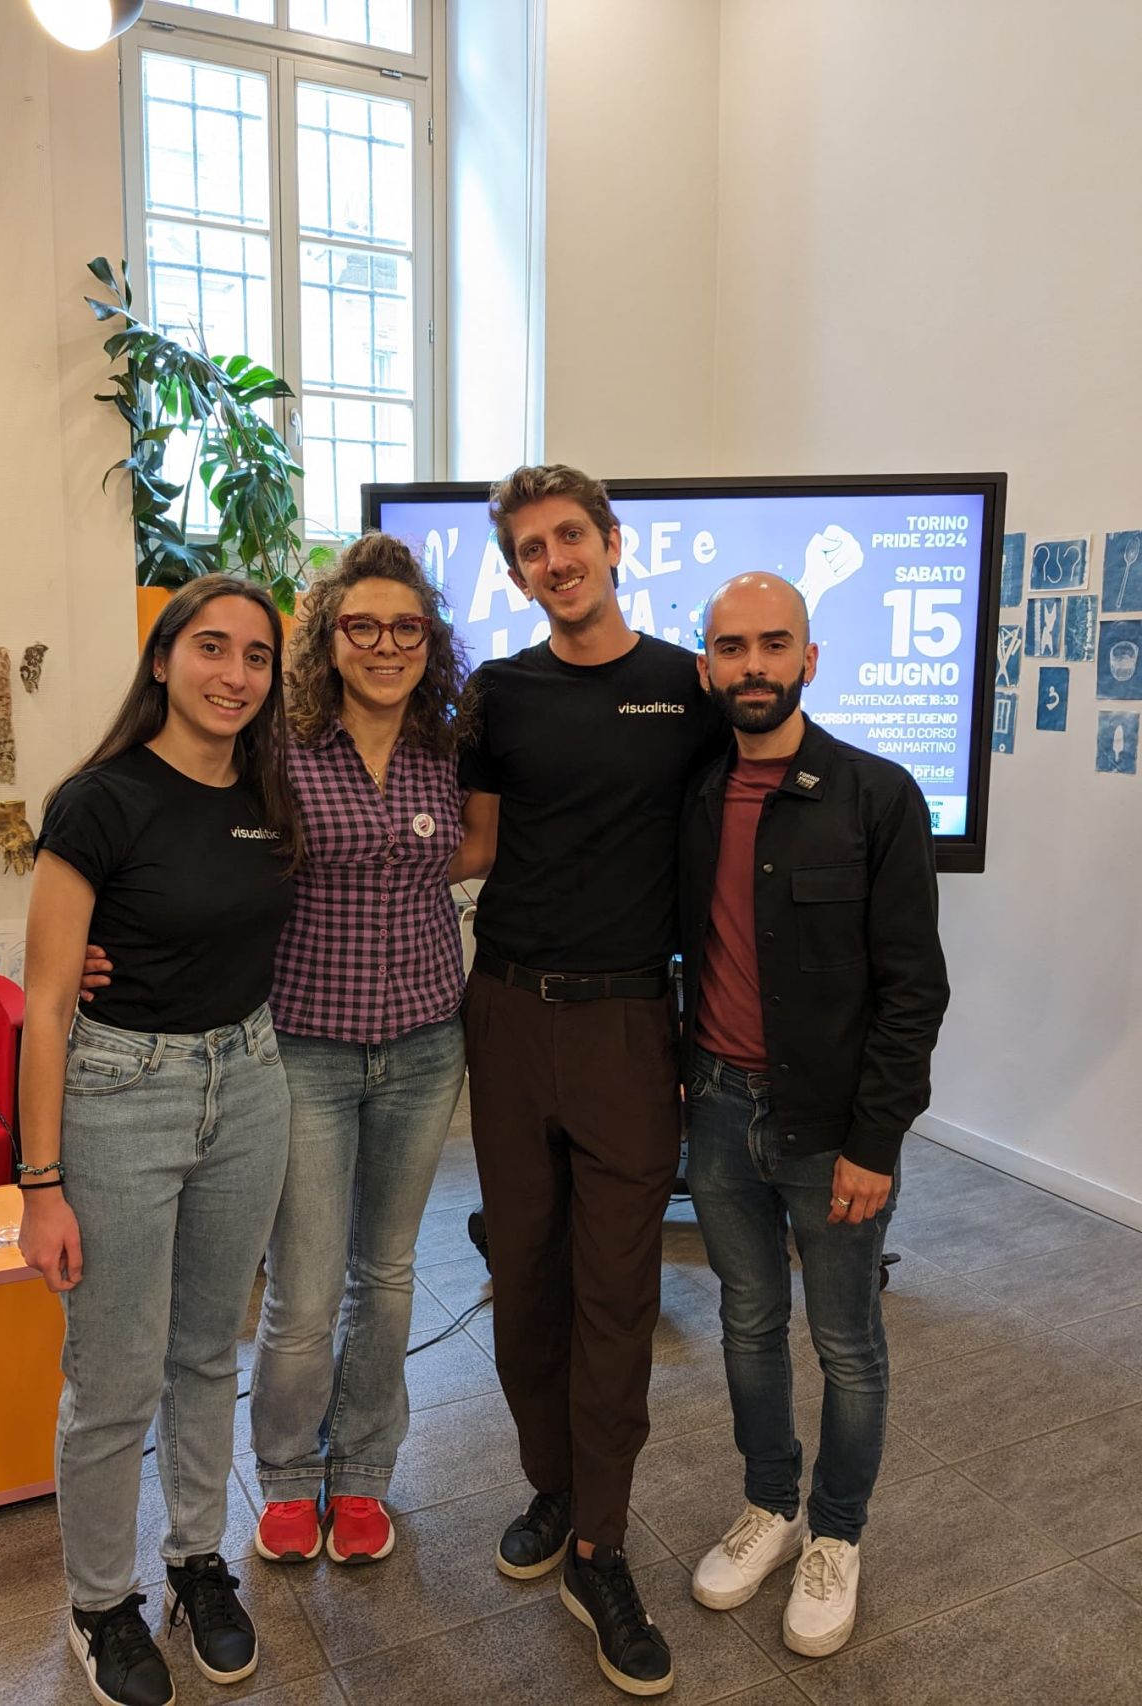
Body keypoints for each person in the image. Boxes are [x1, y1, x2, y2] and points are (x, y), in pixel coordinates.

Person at [458, 464, 723, 1697]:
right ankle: (550, 1487)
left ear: (611, 545)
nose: (555, 560)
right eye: (531, 548)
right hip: (506, 1015)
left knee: (615, 1295)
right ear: (515, 572)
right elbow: (462, 846)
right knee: (524, 1282)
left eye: (571, 537)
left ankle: (599, 1547)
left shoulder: (684, 687)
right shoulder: (495, 694)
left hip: (627, 1023)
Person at [19, 575, 300, 1706]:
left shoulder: (269, 791)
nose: (234, 673)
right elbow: (44, 1001)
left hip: (250, 1079)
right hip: (121, 1090)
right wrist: (41, 1182)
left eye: (257, 657)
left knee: (203, 1352)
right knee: (113, 1376)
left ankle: (196, 1562)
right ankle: (99, 1600)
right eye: (211, 648)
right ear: (163, 657)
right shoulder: (98, 798)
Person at [678, 572, 949, 1657]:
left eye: (770, 643)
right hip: (714, 1108)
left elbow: (911, 989)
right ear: (704, 667)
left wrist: (875, 1140)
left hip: (830, 1124)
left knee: (845, 1343)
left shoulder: (876, 794)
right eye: (729, 647)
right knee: (745, 1325)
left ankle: (836, 1532)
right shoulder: (692, 795)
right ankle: (770, 1505)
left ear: (808, 657)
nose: (751, 664)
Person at [249, 532, 480, 1568]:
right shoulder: (280, 745)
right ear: (327, 638)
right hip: (306, 1045)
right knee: (303, 1284)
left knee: (384, 1274)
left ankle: (363, 1476)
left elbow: (475, 848)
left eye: (405, 626)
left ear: (427, 640)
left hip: (427, 1040)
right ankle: (291, 1476)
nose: (385, 642)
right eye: (362, 624)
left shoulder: (448, 746)